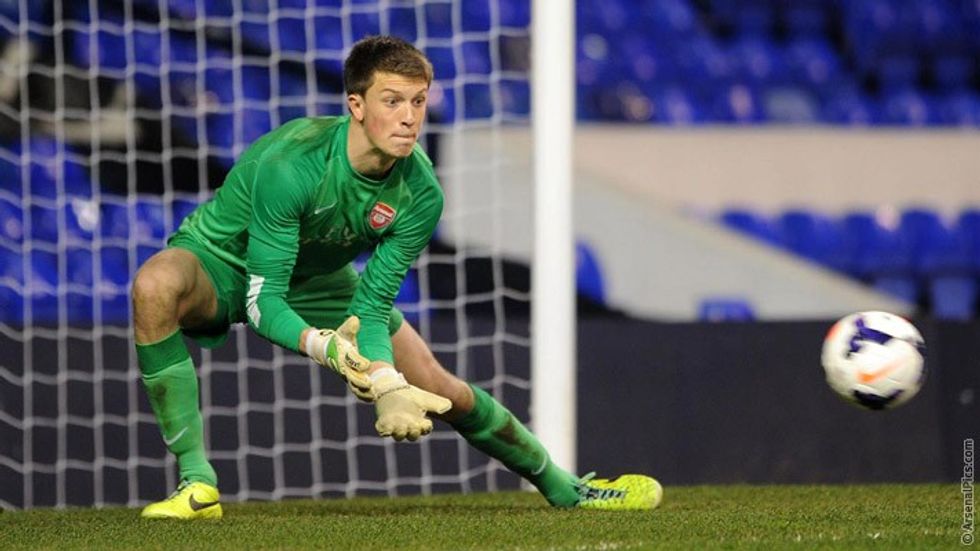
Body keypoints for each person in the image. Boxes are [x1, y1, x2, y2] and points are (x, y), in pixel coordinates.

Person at [132, 35, 662, 520]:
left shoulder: (422, 193)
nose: (409, 117)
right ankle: (198, 484)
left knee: (437, 385)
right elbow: (262, 299)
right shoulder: (292, 163)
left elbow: (374, 302)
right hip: (222, 262)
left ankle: (568, 489)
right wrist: (330, 350)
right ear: (356, 106)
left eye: (418, 101)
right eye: (392, 101)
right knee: (155, 286)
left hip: (318, 279)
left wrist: (385, 381)